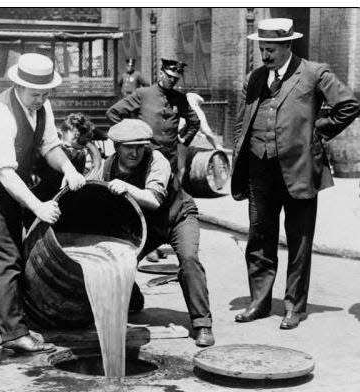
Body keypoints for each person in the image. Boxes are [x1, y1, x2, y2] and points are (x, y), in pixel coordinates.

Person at [231, 18, 359, 329]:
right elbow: (242, 120)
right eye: (262, 49)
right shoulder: (256, 77)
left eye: (271, 49)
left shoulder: (315, 73)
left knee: (299, 241)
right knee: (259, 237)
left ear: (288, 45)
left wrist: (317, 131)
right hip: (259, 170)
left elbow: (348, 105)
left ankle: (294, 307)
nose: (265, 56)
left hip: (299, 169)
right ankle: (259, 303)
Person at [0, 53, 86, 353]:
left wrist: (69, 169)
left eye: (45, 94)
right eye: (35, 94)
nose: (40, 100)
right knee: (7, 257)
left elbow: (50, 145)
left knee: (7, 254)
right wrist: (38, 207)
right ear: (18, 85)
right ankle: (15, 334)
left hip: (6, 181)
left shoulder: (42, 106)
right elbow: (5, 172)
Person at [98, 119, 215, 347]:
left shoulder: (157, 160)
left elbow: (153, 199)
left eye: (140, 146)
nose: (135, 152)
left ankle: (202, 324)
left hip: (178, 216)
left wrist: (127, 187)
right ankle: (133, 298)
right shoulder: (107, 166)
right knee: (119, 258)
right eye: (128, 147)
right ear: (116, 147)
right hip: (146, 224)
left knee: (189, 260)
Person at [107, 58, 200, 175]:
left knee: (170, 189)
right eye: (169, 76)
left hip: (170, 157)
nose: (172, 80)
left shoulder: (180, 98)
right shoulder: (143, 94)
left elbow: (195, 122)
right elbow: (112, 113)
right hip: (146, 156)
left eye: (176, 78)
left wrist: (185, 139)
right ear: (161, 74)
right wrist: (128, 137)